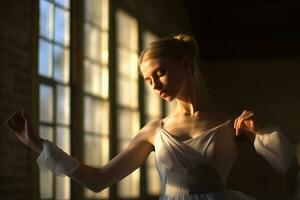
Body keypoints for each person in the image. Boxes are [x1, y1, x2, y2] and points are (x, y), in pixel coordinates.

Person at [6, 34, 295, 200]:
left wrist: (263, 130)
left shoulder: (233, 123)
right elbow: (99, 180)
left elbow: (289, 167)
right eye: (147, 79)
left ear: (185, 65)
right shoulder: (155, 130)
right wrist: (38, 144)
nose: (155, 84)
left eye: (160, 72)